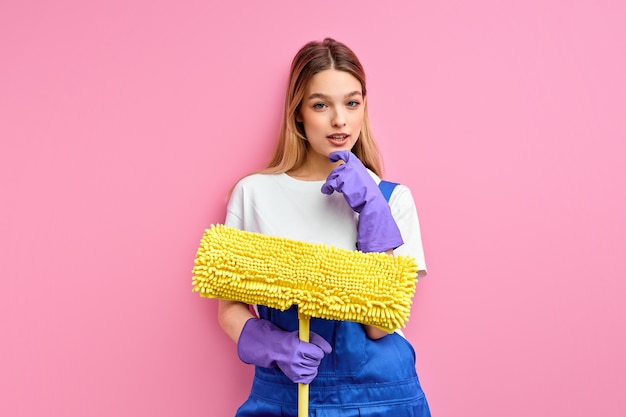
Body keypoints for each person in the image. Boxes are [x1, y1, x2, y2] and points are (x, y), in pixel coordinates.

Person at [217, 38, 431, 417]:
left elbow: (381, 328)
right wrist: (271, 344)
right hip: (285, 396)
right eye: (321, 105)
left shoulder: (393, 199)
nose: (340, 120)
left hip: (380, 400)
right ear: (298, 112)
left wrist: (372, 211)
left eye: (352, 102)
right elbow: (229, 307)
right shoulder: (254, 194)